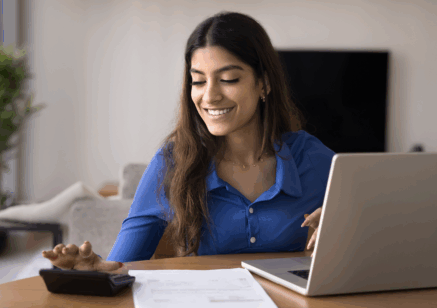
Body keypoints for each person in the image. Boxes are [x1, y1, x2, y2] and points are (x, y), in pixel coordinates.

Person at [42, 11, 334, 271]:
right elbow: (124, 263)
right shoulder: (172, 162)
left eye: (229, 79)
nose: (210, 96)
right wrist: (96, 269)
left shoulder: (309, 156)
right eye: (198, 81)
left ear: (264, 84)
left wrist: (341, 224)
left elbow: (373, 226)